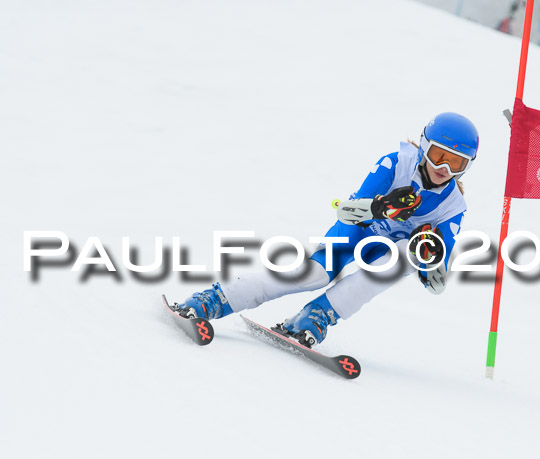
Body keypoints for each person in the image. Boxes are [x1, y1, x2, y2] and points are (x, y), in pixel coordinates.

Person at [173, 113, 479, 348]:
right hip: (355, 234)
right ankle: (215, 298)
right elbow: (347, 211)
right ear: (425, 146)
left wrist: (429, 257)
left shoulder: (453, 206)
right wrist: (382, 207)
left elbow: (437, 285)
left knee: (406, 256)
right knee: (314, 275)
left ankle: (315, 317)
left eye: (457, 163)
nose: (445, 169)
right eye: (440, 156)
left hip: (385, 254)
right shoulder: (398, 162)